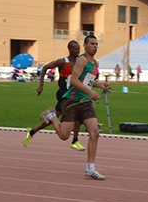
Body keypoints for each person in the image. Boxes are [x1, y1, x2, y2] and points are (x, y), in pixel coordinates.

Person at [39, 35, 110, 180]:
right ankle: (52, 116)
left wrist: (100, 84)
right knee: (64, 135)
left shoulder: (95, 63)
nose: (95, 46)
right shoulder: (82, 60)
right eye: (92, 43)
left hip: (85, 102)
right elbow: (74, 80)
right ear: (85, 46)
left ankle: (90, 168)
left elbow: (89, 81)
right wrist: (90, 92)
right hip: (71, 101)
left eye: (96, 44)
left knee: (95, 132)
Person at [24, 40, 85, 151]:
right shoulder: (62, 62)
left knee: (57, 115)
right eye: (76, 49)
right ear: (70, 49)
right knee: (77, 114)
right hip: (63, 94)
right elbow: (45, 68)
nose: (78, 51)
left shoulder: (80, 62)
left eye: (79, 48)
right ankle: (75, 140)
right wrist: (41, 85)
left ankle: (32, 132)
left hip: (73, 94)